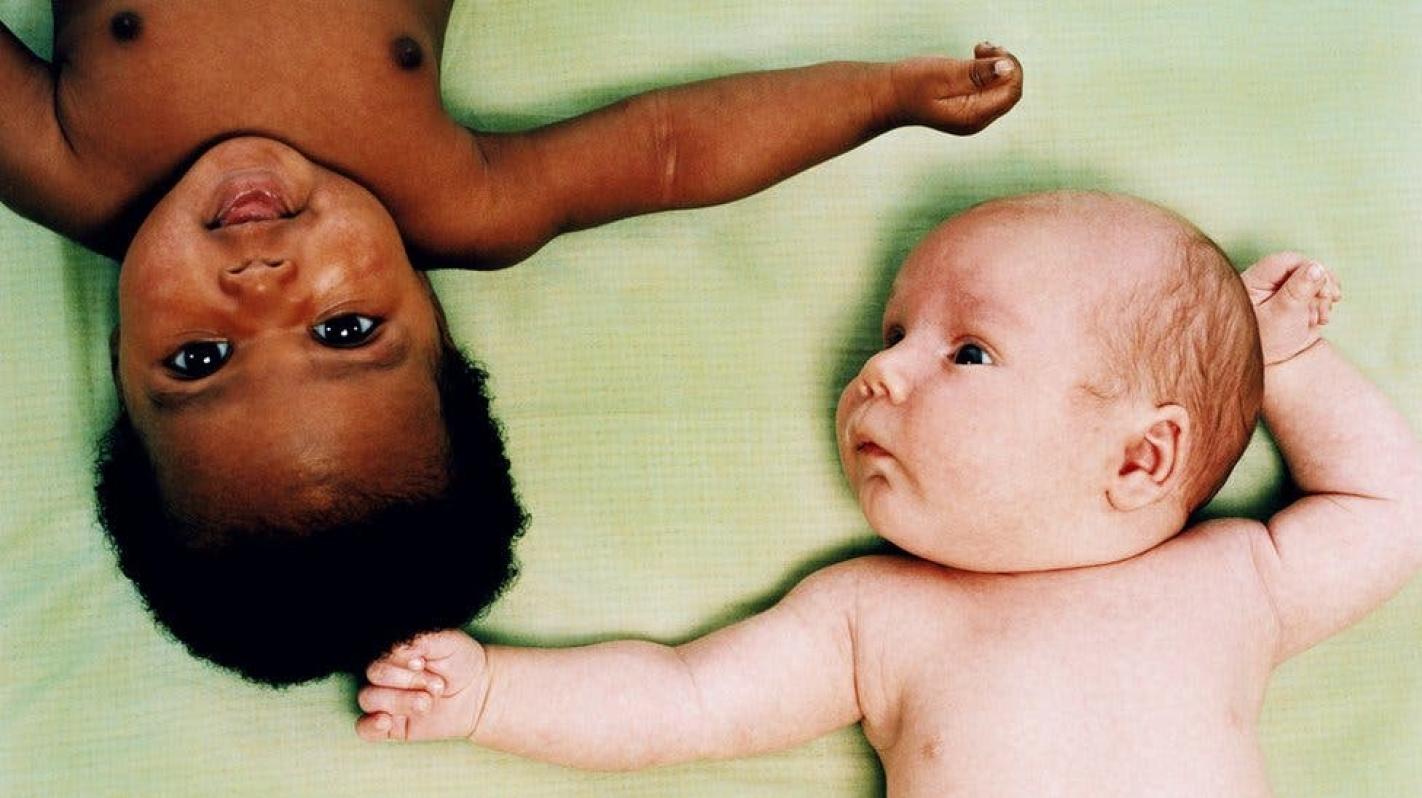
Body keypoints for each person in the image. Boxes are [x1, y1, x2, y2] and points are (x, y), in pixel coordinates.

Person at [0, 4, 1022, 686]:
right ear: (435, 321)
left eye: (199, 360)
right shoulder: (459, 202)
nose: (262, 283)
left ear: (120, 363)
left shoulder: (70, 167)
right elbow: (672, 152)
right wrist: (878, 100)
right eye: (343, 330)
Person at [355, 192, 1421, 797]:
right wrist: (493, 695)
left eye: (967, 349)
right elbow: (687, 701)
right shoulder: (876, 614)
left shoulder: (1230, 582)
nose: (880, 370)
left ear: (1142, 460)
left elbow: (1390, 507)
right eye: (893, 331)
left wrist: (1276, 364)